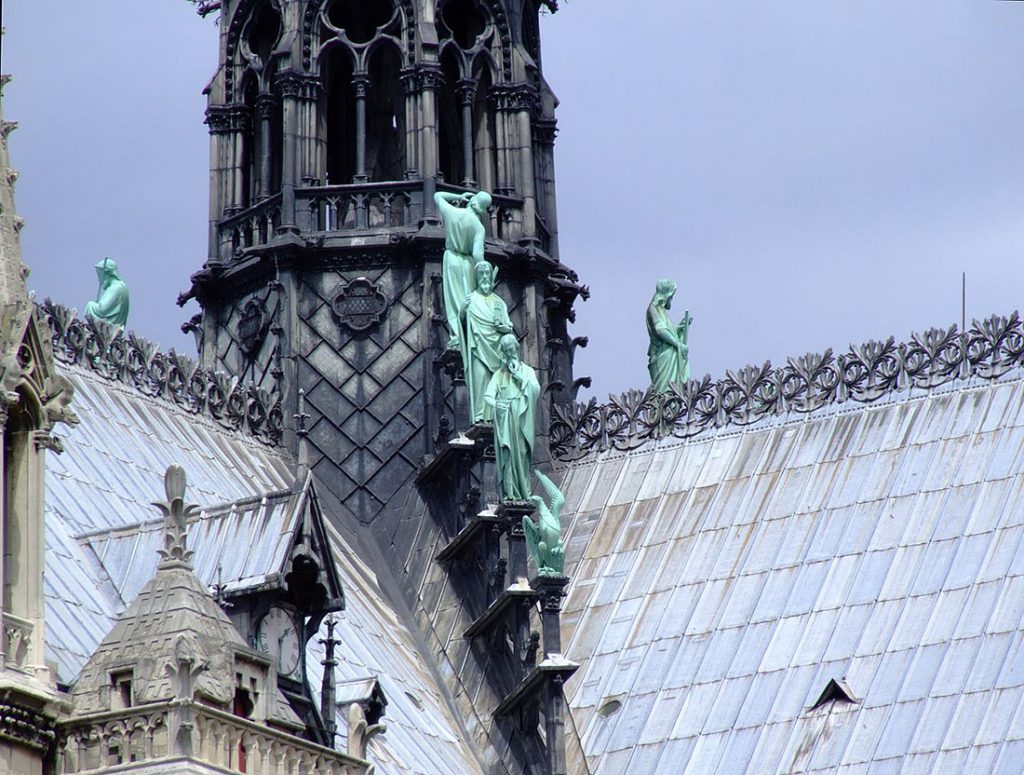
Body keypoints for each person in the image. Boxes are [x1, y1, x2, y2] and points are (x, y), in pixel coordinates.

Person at [434, 189, 492, 348]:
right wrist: (485, 272)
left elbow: (437, 196)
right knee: (467, 300)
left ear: (472, 201)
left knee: (455, 301)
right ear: (482, 210)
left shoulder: (452, 212)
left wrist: (458, 196)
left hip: (451, 259)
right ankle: (467, 335)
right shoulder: (479, 227)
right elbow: (478, 254)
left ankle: (457, 335)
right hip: (467, 263)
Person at [484, 334, 540, 501]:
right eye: (507, 352)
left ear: (517, 349)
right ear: (504, 354)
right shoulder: (499, 375)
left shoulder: (528, 371)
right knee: (508, 455)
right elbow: (488, 396)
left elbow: (536, 390)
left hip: (522, 415)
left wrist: (520, 378)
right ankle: (511, 493)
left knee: (522, 452)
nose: (510, 354)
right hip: (506, 418)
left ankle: (523, 491)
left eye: (512, 350)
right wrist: (496, 405)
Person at [460, 260, 514, 423]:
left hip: (497, 349)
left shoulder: (499, 302)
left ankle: (496, 417)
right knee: (480, 379)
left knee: (496, 384)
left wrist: (504, 327)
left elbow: (509, 326)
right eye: (481, 274)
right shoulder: (471, 300)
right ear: (476, 277)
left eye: (487, 273)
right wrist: (462, 310)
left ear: (491, 276)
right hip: (478, 348)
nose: (484, 277)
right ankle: (480, 416)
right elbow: (463, 326)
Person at [646, 278, 690, 393]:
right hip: (663, 357)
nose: (672, 298)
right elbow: (660, 330)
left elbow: (666, 331)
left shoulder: (661, 310)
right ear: (666, 295)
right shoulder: (654, 308)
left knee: (672, 393)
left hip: (667, 355)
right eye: (671, 296)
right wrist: (678, 344)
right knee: (664, 393)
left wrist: (678, 329)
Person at [85, 257, 130, 327]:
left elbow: (102, 310)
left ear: (107, 272)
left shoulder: (115, 288)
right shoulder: (121, 286)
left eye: (99, 275)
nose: (99, 279)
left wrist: (90, 305)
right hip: (115, 329)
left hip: (110, 328)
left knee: (90, 304)